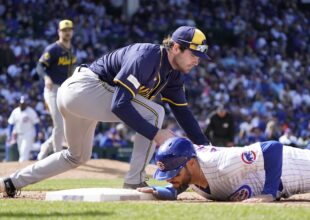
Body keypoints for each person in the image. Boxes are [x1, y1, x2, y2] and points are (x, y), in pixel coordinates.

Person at [135, 47, 310, 202]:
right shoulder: (189, 164)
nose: (171, 178)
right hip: (278, 170)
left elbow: (272, 148)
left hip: (288, 172)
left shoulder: (221, 165)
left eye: (174, 173)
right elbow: (179, 184)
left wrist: (269, 194)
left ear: (190, 162)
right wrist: (162, 191)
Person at [0, 26, 211, 197]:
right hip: (84, 89)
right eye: (193, 54)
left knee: (76, 156)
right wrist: (157, 134)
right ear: (175, 48)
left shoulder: (173, 75)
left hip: (80, 96)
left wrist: (209, 150)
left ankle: (10, 182)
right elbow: (119, 104)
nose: (197, 60)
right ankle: (134, 180)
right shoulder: (147, 56)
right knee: (155, 113)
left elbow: (184, 115)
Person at [36, 19, 77, 160]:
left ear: (72, 31)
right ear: (59, 32)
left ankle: (46, 147)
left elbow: (72, 69)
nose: (67, 32)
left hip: (66, 90)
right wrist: (46, 78)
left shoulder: (72, 49)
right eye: (64, 30)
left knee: (65, 124)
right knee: (59, 123)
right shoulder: (53, 49)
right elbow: (40, 66)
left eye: (69, 29)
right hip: (52, 89)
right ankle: (57, 155)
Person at [6, 96, 40, 162]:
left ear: (26, 103)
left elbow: (36, 124)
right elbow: (11, 124)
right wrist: (10, 135)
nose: (22, 105)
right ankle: (26, 164)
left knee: (24, 151)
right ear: (19, 103)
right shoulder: (15, 111)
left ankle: (22, 166)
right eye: (21, 103)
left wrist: (37, 133)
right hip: (19, 134)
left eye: (24, 103)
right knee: (21, 152)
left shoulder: (31, 111)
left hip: (28, 134)